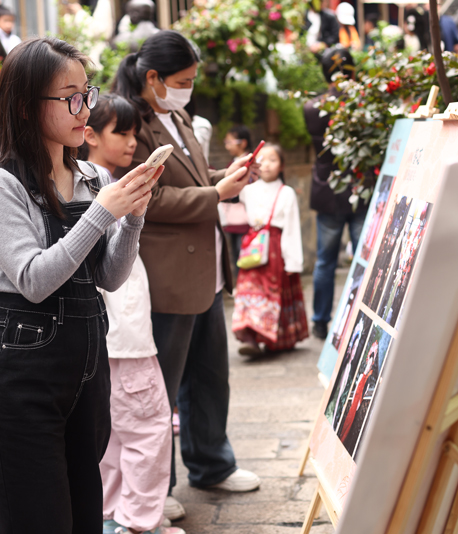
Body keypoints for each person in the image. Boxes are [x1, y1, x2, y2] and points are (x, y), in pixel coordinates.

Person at [0, 37, 160, 533]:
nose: (85, 109)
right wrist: (103, 213)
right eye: (70, 97)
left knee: (82, 518)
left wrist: (133, 216)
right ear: (28, 107)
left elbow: (109, 277)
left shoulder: (91, 174)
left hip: (84, 368)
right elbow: (34, 279)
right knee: (38, 518)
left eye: (87, 93)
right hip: (19, 370)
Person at [112, 29, 262, 522]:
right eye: (182, 80)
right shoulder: (130, 122)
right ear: (152, 77)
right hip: (167, 272)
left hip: (205, 268)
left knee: (210, 375)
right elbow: (146, 197)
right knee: (163, 388)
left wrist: (225, 178)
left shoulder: (175, 115)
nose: (188, 89)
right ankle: (160, 485)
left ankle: (211, 463)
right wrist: (217, 195)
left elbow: (194, 183)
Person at [81, 93, 184, 534]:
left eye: (133, 134)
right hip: (123, 335)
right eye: (120, 132)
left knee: (113, 436)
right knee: (147, 431)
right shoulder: (103, 187)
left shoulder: (85, 181)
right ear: (89, 135)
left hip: (108, 337)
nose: (130, 142)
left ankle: (111, 515)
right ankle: (138, 522)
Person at [304, 46, 367, 340]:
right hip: (358, 188)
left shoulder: (311, 107)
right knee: (363, 259)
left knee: (325, 261)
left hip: (327, 188)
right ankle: (362, 316)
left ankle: (319, 321)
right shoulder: (364, 103)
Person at [232, 143, 307, 355]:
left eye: (273, 160)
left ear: (282, 165)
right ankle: (249, 336)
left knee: (271, 291)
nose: (266, 165)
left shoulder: (287, 193)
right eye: (262, 159)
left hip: (275, 248)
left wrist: (293, 261)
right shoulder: (248, 189)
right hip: (253, 246)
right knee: (249, 289)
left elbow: (291, 228)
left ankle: (273, 337)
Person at [219, 124, 252, 278]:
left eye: (229, 142)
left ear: (242, 143)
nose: (227, 146)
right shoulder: (232, 164)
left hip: (247, 219)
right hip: (232, 219)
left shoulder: (251, 164)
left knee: (245, 254)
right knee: (235, 254)